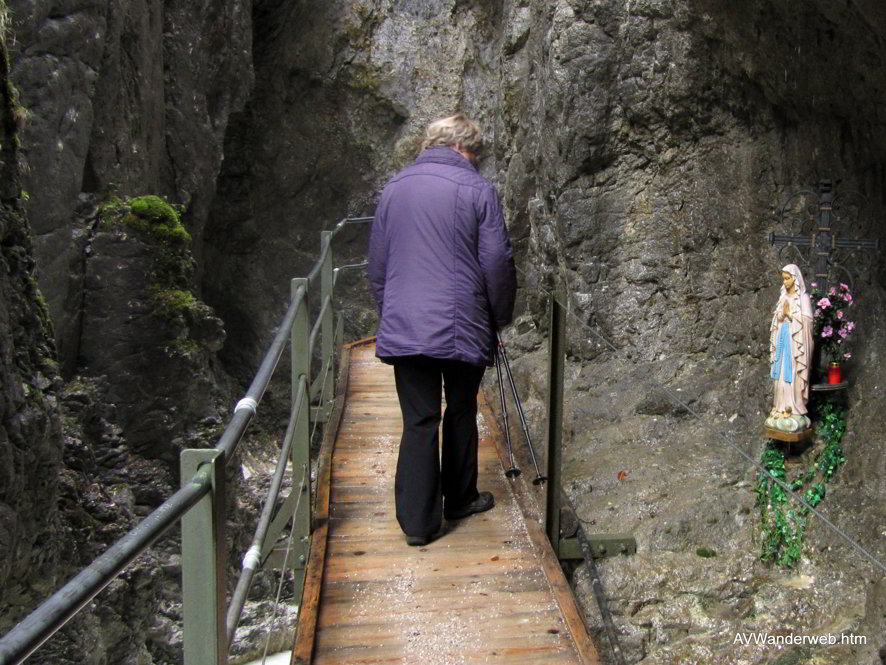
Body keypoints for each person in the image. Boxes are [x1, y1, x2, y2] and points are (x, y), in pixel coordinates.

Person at [368, 113, 517, 546]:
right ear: (461, 148)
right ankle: (460, 499)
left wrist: (389, 311)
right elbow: (496, 262)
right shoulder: (477, 189)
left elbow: (377, 265)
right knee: (459, 410)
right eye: (475, 153)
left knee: (419, 420)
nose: (476, 161)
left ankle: (417, 524)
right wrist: (499, 315)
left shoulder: (393, 188)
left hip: (405, 324)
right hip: (463, 320)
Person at [769, 264, 814, 420]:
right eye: (784, 279)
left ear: (795, 279)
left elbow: (808, 322)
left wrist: (791, 316)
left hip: (795, 345)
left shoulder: (803, 299)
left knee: (793, 374)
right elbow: (776, 319)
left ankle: (793, 407)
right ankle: (780, 406)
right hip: (783, 341)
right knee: (780, 375)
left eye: (788, 278)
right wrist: (782, 315)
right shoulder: (783, 297)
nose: (785, 282)